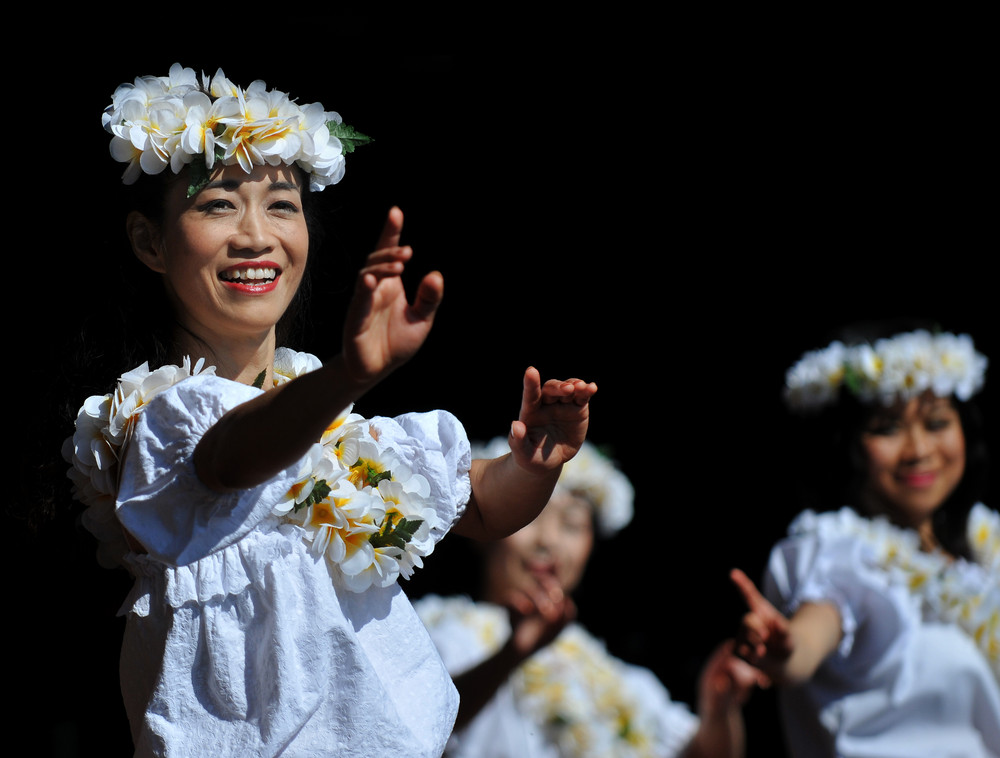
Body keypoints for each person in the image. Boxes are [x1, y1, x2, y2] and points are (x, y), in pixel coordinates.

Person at [63, 63, 598, 758]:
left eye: (281, 205)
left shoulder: (334, 434)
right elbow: (231, 458)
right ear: (151, 242)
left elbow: (488, 507)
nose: (256, 234)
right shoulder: (155, 423)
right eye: (218, 203)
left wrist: (535, 463)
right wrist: (349, 374)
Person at [732, 324, 1000, 757]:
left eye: (936, 423)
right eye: (887, 428)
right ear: (847, 445)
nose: (918, 449)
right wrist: (783, 649)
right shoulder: (839, 552)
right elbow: (812, 633)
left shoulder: (985, 553)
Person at [415, 438, 762, 758]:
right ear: (483, 525)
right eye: (530, 517)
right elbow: (409, 727)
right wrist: (510, 656)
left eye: (571, 524)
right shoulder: (433, 634)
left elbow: (702, 752)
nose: (548, 541)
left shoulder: (613, 678)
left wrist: (720, 708)